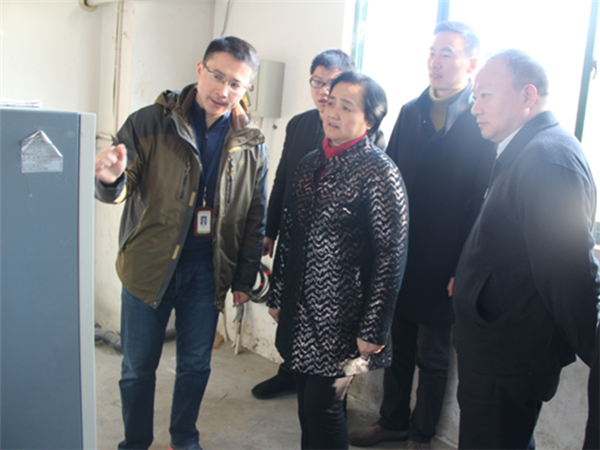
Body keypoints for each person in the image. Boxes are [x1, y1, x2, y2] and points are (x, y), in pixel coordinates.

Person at [94, 36, 268, 450]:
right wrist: (109, 179)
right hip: (148, 267)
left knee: (195, 366)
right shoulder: (150, 122)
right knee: (137, 368)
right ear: (199, 70)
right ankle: (135, 442)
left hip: (207, 272)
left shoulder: (250, 142)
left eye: (236, 84)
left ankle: (184, 440)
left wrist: (244, 275)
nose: (223, 90)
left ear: (247, 88)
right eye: (217, 76)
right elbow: (122, 185)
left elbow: (254, 214)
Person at [349, 21, 496, 450]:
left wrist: (464, 266)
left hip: (447, 260)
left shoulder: (480, 119)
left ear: (471, 64)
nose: (436, 61)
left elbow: (482, 201)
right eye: (433, 52)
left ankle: (421, 434)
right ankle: (392, 421)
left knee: (433, 356)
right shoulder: (411, 111)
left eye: (447, 53)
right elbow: (388, 180)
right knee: (395, 347)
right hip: (403, 255)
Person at [453, 49, 600, 449]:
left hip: (509, 354)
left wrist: (594, 349)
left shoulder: (547, 159)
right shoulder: (526, 149)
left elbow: (567, 273)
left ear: (527, 95)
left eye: (485, 95)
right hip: (496, 347)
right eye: (474, 97)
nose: (475, 107)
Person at [268, 71, 409, 449]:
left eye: (347, 107)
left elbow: (391, 255)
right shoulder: (309, 163)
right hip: (300, 308)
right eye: (331, 103)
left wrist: (374, 328)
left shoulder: (380, 172)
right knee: (305, 401)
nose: (333, 112)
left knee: (324, 407)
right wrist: (278, 295)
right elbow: (289, 234)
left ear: (369, 121)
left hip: (343, 319)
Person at [251, 49, 355, 400]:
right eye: (317, 81)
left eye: (331, 83)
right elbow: (282, 178)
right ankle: (290, 372)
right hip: (294, 238)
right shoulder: (299, 124)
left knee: (324, 320)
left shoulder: (358, 129)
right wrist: (270, 230)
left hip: (332, 249)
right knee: (289, 309)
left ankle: (329, 396)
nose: (323, 90)